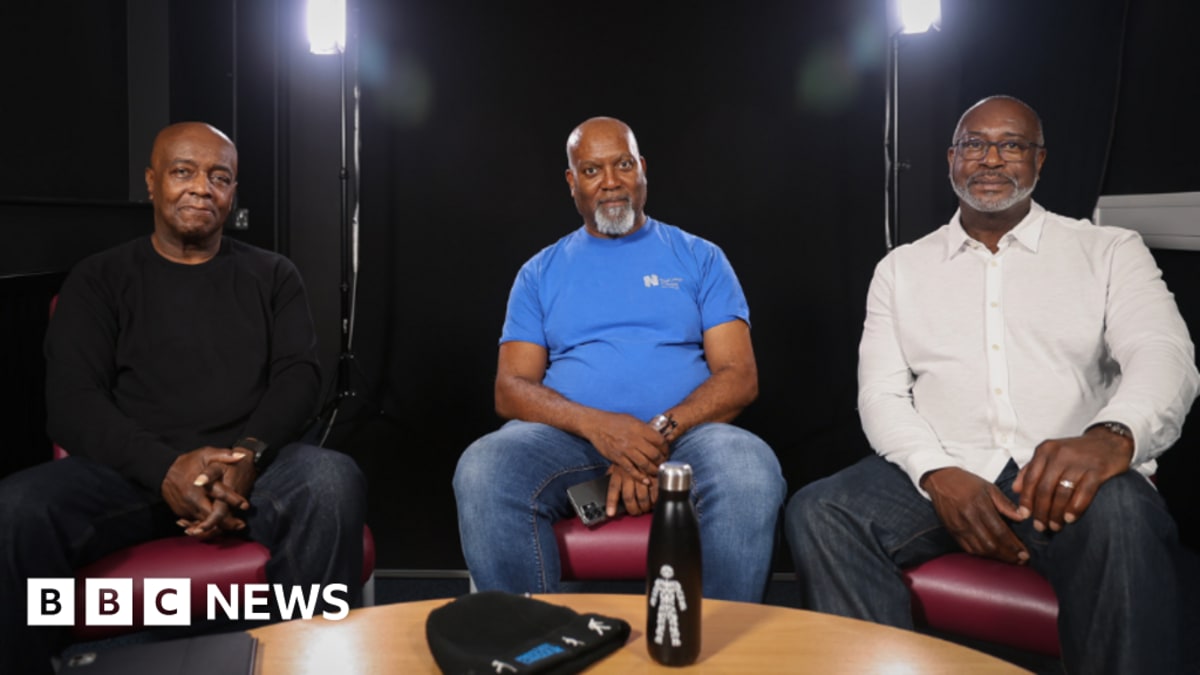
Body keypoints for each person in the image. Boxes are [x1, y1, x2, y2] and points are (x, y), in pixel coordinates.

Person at [785, 96, 1198, 673]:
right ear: (951, 158)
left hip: (1067, 476)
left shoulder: (1108, 251)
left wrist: (1112, 435)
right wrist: (936, 472)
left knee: (1126, 515)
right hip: (948, 465)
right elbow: (880, 394)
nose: (991, 159)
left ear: (1039, 160)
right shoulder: (901, 269)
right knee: (822, 510)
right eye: (975, 144)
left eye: (1011, 145)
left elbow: (1164, 352)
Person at [0, 122, 366, 674]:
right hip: (128, 477)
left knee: (331, 481)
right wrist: (164, 467)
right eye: (183, 172)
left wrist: (246, 456)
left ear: (233, 192)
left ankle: (300, 664)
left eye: (220, 177)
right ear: (152, 183)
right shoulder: (99, 278)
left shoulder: (273, 275)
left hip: (252, 473)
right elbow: (71, 402)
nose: (202, 187)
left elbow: (299, 377)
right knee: (16, 509)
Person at [454, 117, 785, 601]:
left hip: (688, 440)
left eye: (623, 165)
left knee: (749, 466)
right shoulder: (539, 272)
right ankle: (529, 646)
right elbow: (511, 388)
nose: (610, 182)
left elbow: (739, 377)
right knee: (484, 466)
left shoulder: (701, 258)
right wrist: (602, 429)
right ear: (572, 182)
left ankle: (718, 652)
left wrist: (652, 437)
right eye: (591, 170)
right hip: (570, 444)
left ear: (643, 170)